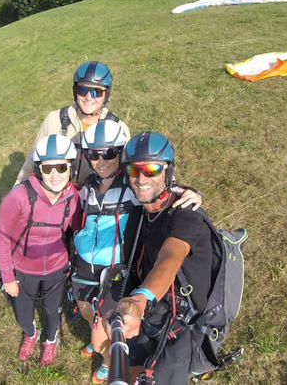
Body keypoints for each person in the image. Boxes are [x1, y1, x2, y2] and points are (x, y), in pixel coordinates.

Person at [73, 124, 203, 383]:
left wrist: (190, 191)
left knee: (103, 328)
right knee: (89, 313)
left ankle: (107, 362)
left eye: (110, 153)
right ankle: (99, 348)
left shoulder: (133, 189)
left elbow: (170, 252)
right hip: (85, 267)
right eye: (94, 155)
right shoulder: (86, 187)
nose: (101, 161)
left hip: (117, 272)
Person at [106, 132, 214, 384]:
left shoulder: (186, 216)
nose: (142, 178)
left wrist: (141, 299)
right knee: (130, 368)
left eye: (152, 169)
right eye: (134, 170)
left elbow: (170, 258)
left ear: (168, 171)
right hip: (152, 311)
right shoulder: (142, 212)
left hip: (182, 324)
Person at [0, 134, 81, 367]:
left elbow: (78, 229)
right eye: (48, 168)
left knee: (53, 310)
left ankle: (50, 341)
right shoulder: (18, 197)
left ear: (71, 169)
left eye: (61, 167)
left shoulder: (73, 198)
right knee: (23, 313)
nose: (55, 176)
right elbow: (2, 240)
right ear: (38, 169)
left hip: (56, 269)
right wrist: (8, 277)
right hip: (23, 269)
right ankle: (30, 334)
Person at [15, 61, 131, 188]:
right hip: (59, 195)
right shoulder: (55, 120)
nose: (88, 97)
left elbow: (127, 170)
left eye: (96, 92)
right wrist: (17, 191)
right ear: (75, 91)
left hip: (95, 198)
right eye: (83, 90)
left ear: (106, 95)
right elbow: (33, 161)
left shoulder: (118, 128)